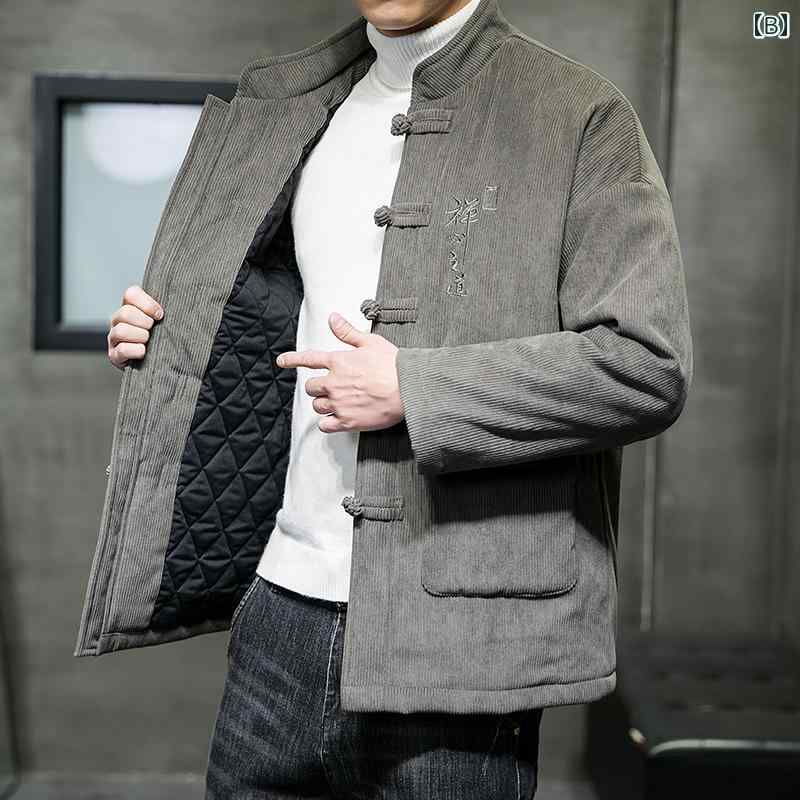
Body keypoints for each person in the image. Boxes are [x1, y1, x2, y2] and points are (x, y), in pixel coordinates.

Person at [96, 0, 692, 797]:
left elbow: (644, 364)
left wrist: (415, 387)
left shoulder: (579, 113)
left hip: (463, 638)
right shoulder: (289, 102)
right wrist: (171, 333)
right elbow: (281, 313)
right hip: (280, 613)